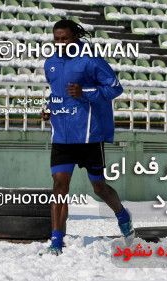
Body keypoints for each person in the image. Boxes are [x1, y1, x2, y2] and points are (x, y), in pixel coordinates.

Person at [40, 19, 132, 255]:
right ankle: (57, 241)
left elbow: (115, 87)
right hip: (61, 135)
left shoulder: (91, 60)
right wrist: (49, 108)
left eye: (65, 39)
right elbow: (56, 93)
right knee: (60, 185)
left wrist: (86, 92)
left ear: (75, 38)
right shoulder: (50, 63)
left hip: (89, 134)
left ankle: (122, 215)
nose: (60, 43)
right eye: (57, 39)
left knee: (99, 187)